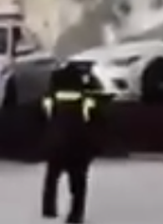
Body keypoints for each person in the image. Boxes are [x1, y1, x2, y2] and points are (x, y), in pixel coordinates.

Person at [41, 62, 101, 223]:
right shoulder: (86, 94)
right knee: (78, 183)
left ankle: (48, 208)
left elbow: (46, 113)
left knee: (52, 176)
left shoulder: (53, 92)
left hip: (57, 139)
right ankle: (76, 214)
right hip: (79, 142)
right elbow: (96, 117)